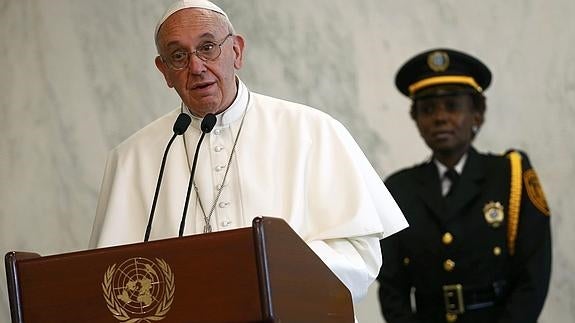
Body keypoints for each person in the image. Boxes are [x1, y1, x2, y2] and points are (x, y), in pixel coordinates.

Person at [89, 0, 408, 307]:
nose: (197, 67)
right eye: (178, 56)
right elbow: (112, 282)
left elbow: (358, 257)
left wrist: (262, 274)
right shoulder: (131, 159)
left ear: (236, 50)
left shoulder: (314, 132)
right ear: (164, 71)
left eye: (208, 47)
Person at [376, 48, 552, 323]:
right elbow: (391, 289)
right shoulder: (399, 189)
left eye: (453, 106)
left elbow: (533, 275)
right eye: (427, 109)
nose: (440, 118)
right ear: (417, 121)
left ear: (477, 114)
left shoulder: (510, 177)